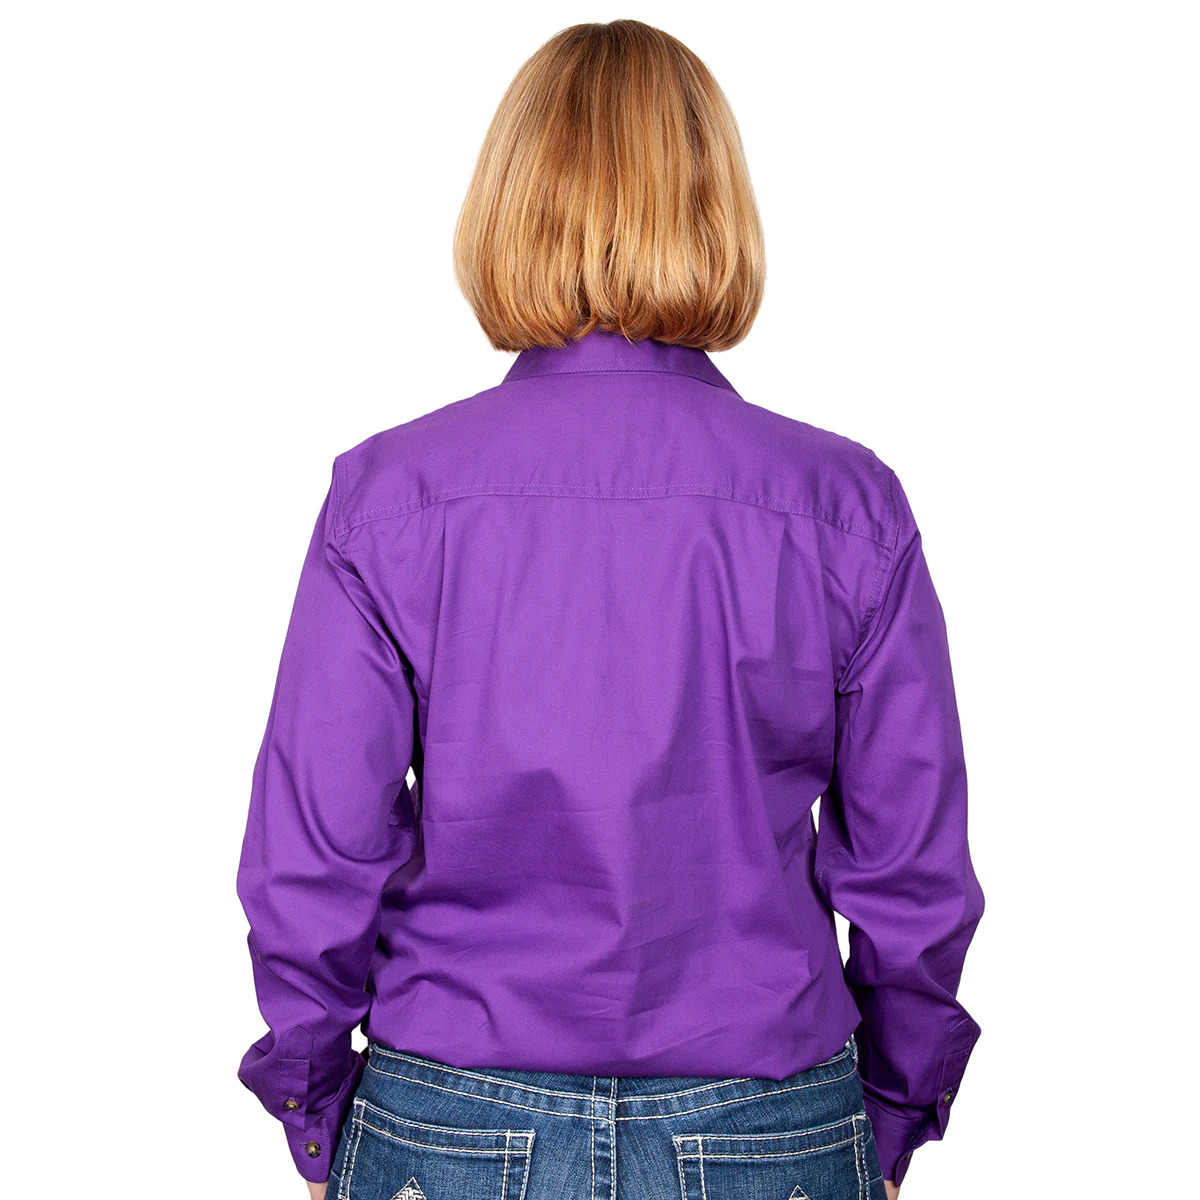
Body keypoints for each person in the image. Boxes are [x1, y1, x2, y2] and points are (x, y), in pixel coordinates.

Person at [234, 19, 984, 1200]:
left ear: (509, 207)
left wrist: (314, 1107)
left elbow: (313, 857)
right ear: (716, 209)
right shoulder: (843, 506)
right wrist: (893, 1111)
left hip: (450, 1122)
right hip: (770, 1120)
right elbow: (912, 872)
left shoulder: (391, 500)